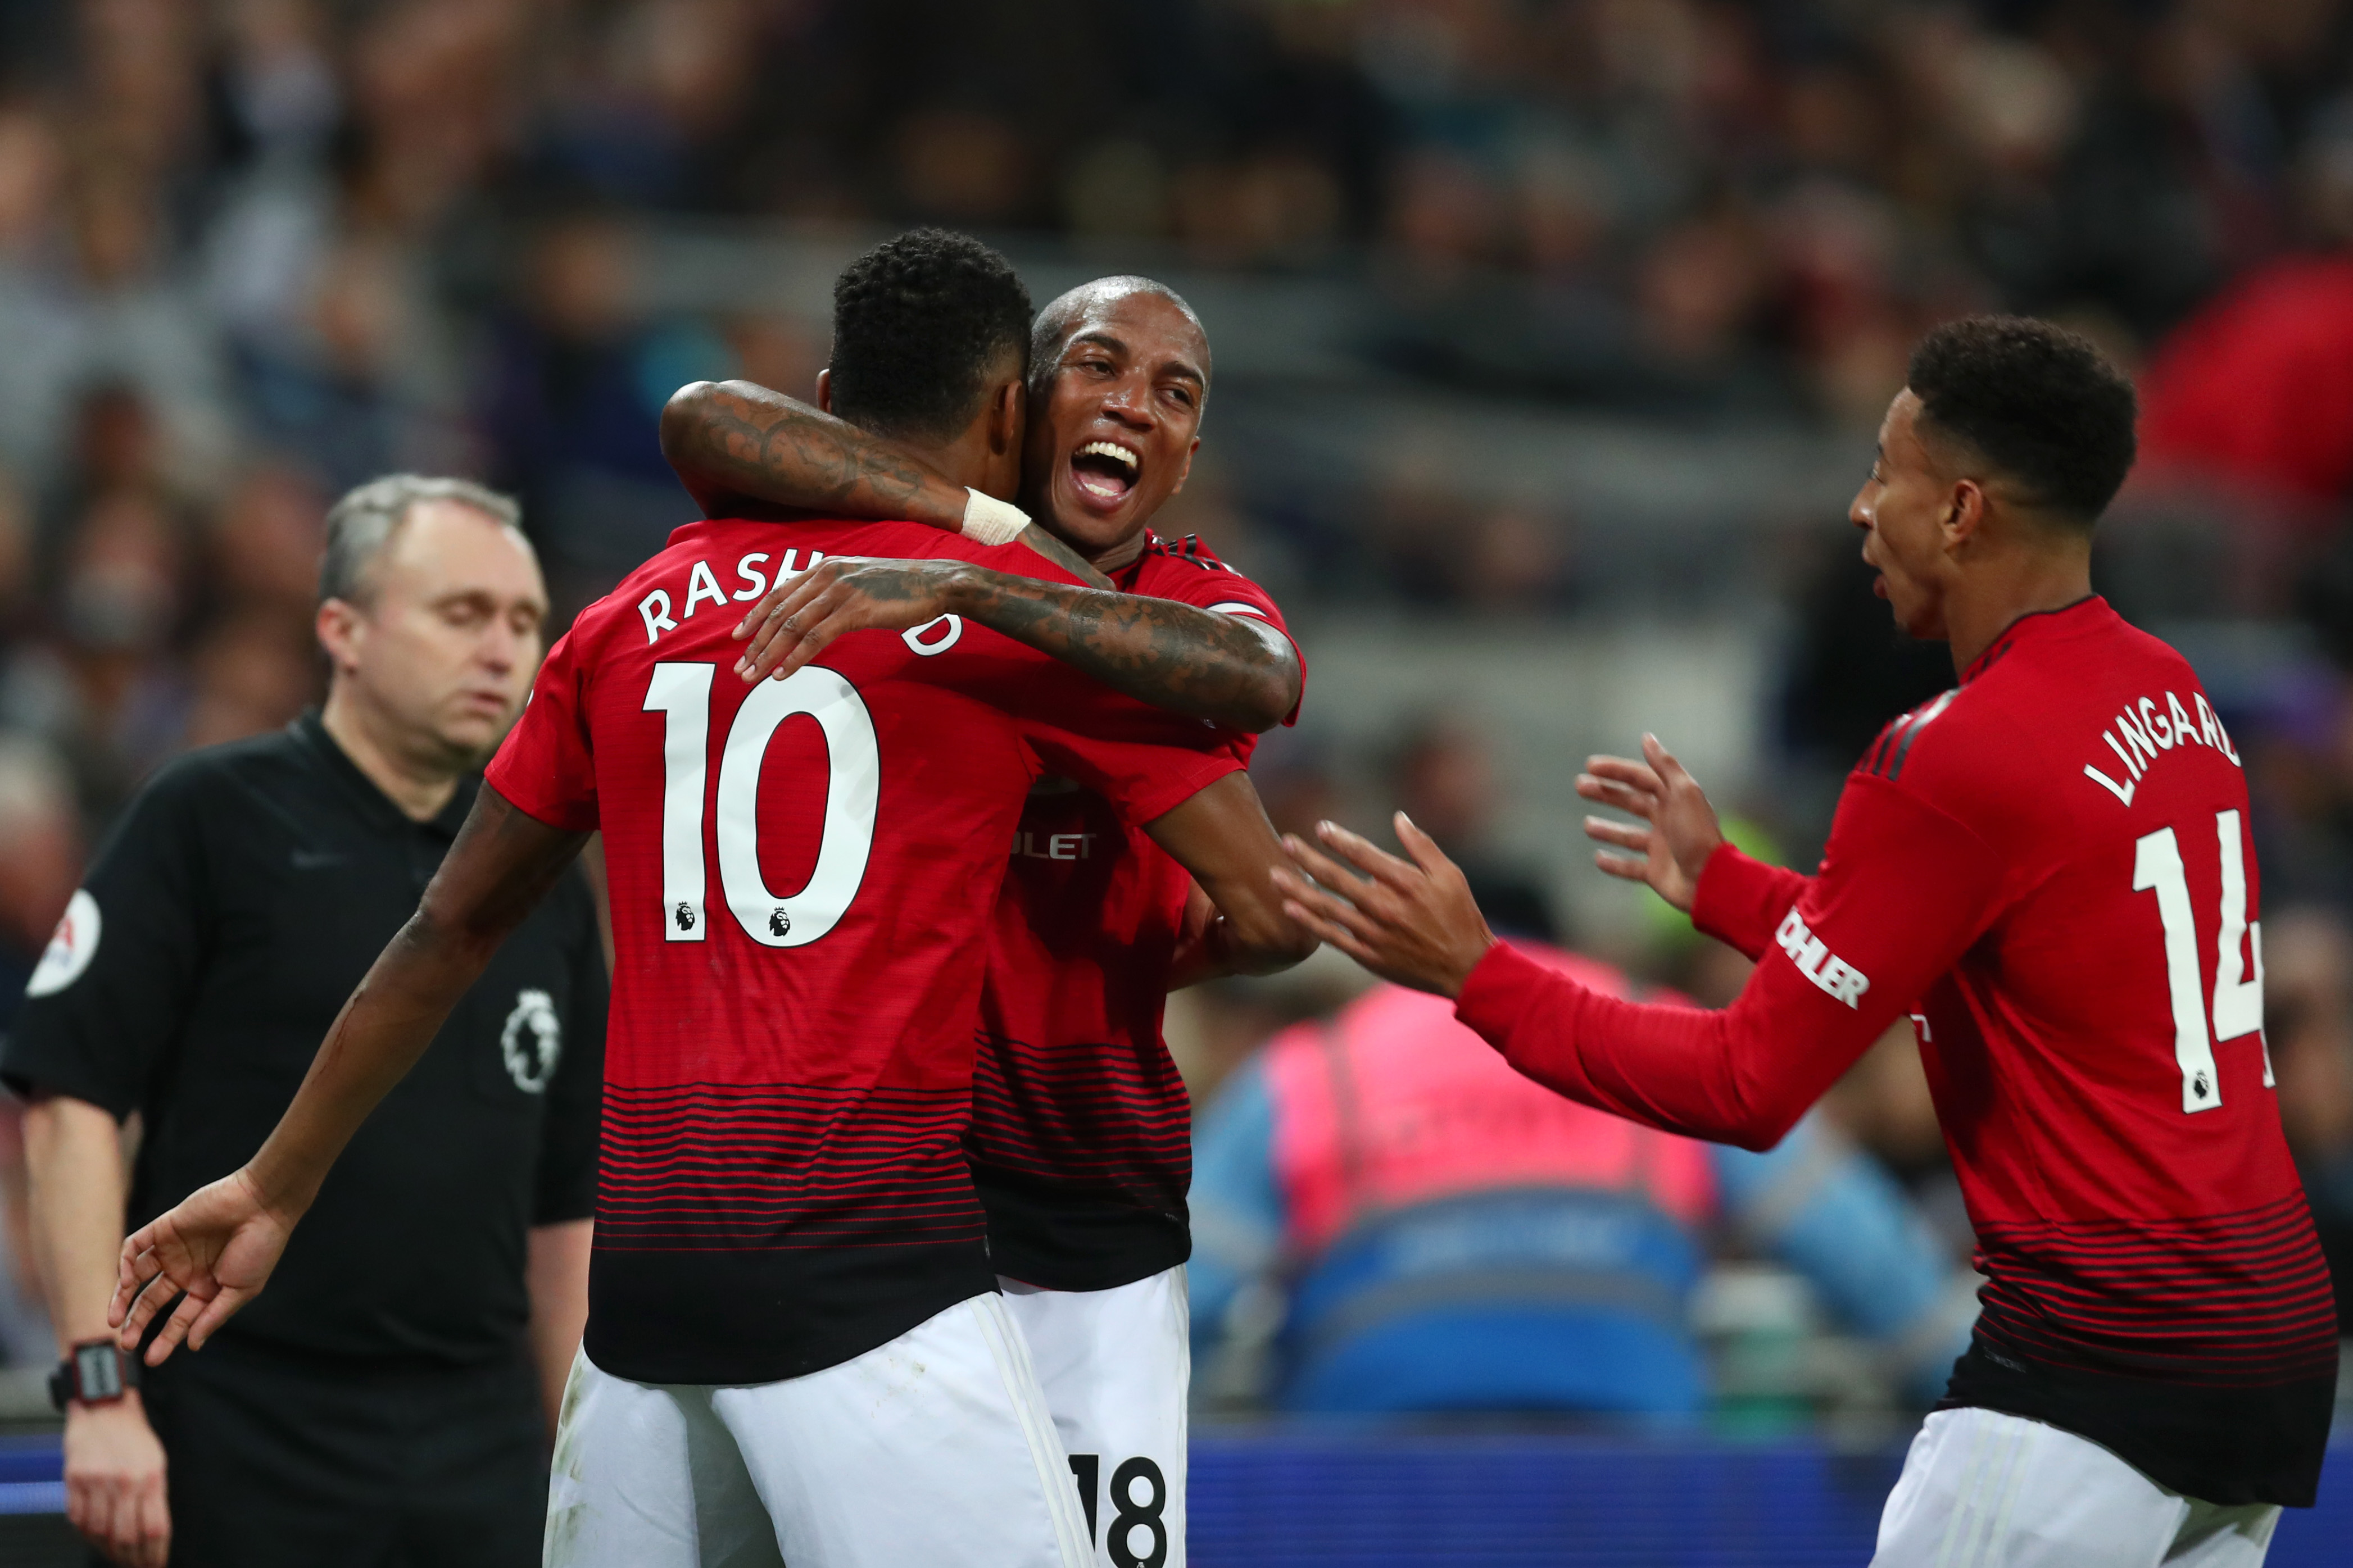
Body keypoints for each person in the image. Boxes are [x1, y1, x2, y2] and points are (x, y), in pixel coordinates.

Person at [106, 231, 1312, 1568]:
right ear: (1009, 416)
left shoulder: (623, 617)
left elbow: (446, 925)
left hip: (645, 1306)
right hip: (872, 1279)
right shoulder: (1014, 620)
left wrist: (276, 1184)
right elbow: (1262, 864)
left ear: (822, 396)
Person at [1274, 317, 2337, 1566]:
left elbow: (1746, 1082)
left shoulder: (1952, 755)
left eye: (1883, 471)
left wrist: (1478, 973)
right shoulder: (2176, 698)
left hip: (2100, 1368)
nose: (1856, 508)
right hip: (2266, 1357)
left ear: (1960, 511)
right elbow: (1979, 953)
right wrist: (1721, 885)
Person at [659, 262, 1303, 1565]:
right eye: (1102, 366)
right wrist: (972, 538)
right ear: (1016, 406)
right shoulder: (894, 540)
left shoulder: (1181, 602)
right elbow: (702, 418)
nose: (1136, 403)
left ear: (1189, 450)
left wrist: (983, 590)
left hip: (1083, 1196)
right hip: (877, 1197)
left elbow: (1264, 685)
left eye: (1175, 392)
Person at [6, 475, 605, 1568]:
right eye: (460, 613)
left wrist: (587, 1449)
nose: (502, 650)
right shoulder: (210, 816)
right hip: (234, 1426)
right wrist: (99, 1389)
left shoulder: (548, 881)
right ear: (344, 630)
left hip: (480, 1447)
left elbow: (565, 1209)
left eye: (524, 622)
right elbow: (68, 1101)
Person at [1189, 954, 1974, 1417]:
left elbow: (1179, 1298)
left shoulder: (1311, 1069)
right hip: (1631, 1457)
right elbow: (1879, 1271)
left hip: (1367, 1462)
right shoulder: (1675, 1043)